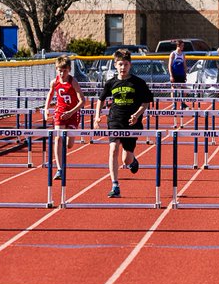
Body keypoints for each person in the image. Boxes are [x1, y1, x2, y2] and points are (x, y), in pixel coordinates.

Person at [93, 48, 154, 198]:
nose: (123, 67)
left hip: (132, 123)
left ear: (130, 65)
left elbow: (146, 102)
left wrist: (137, 115)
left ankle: (133, 161)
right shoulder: (111, 83)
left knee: (126, 159)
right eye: (120, 64)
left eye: (126, 64)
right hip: (115, 120)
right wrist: (97, 117)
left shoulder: (138, 83)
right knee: (113, 149)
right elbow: (100, 99)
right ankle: (115, 185)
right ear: (115, 65)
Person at [44, 57, 84, 180]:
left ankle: (62, 162)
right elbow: (50, 94)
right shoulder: (54, 82)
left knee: (69, 144)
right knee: (58, 138)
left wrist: (71, 112)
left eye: (65, 71)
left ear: (69, 70)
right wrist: (46, 109)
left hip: (72, 113)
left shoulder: (73, 82)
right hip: (60, 112)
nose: (62, 73)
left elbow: (82, 101)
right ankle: (59, 169)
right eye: (60, 71)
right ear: (56, 70)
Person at [167, 41, 188, 109]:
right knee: (173, 89)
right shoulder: (173, 54)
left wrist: (185, 74)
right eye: (182, 45)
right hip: (174, 74)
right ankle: (174, 104)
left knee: (184, 89)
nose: (183, 47)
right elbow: (169, 65)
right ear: (178, 46)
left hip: (181, 74)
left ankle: (183, 103)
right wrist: (171, 75)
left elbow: (184, 65)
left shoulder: (183, 54)